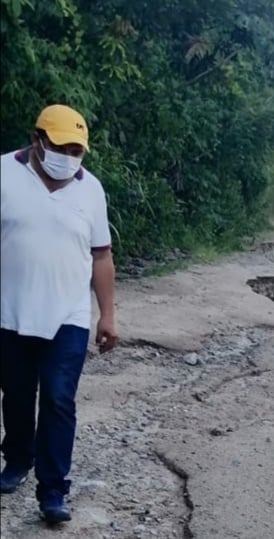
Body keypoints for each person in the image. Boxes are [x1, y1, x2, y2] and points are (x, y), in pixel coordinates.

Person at [0, 104, 118, 523]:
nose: (69, 156)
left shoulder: (91, 188)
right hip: (10, 313)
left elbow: (101, 256)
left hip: (67, 315)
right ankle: (17, 458)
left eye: (77, 149)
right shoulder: (4, 174)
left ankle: (53, 491)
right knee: (15, 395)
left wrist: (107, 315)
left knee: (57, 398)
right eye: (61, 147)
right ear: (37, 140)